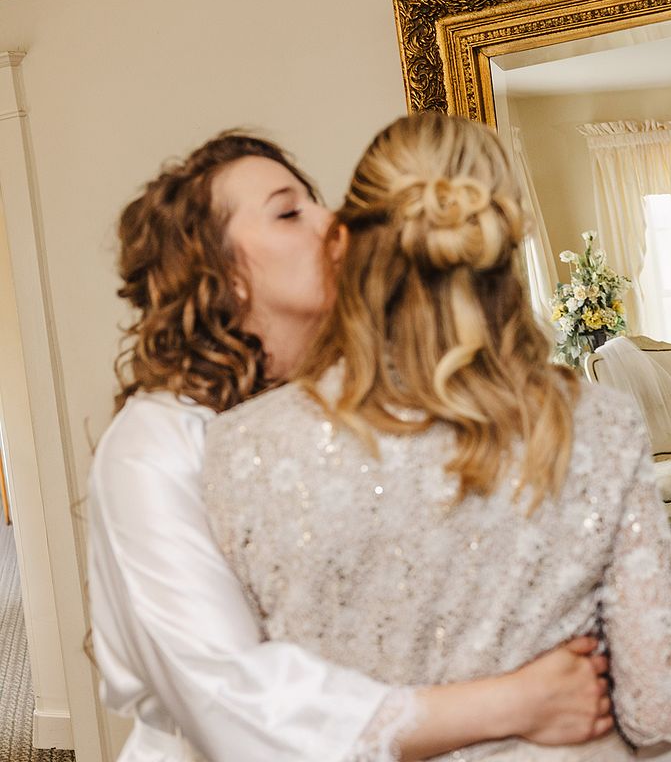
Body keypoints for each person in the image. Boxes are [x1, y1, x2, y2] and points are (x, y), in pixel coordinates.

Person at [88, 132, 615, 762]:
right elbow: (227, 697)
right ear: (221, 274)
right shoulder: (153, 447)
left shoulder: (366, 408)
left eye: (317, 201)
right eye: (289, 212)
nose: (333, 220)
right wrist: (512, 703)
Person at [200, 113, 671, 760]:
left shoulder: (243, 445)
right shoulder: (599, 424)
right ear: (502, 237)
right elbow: (661, 712)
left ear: (349, 241)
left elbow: (238, 712)